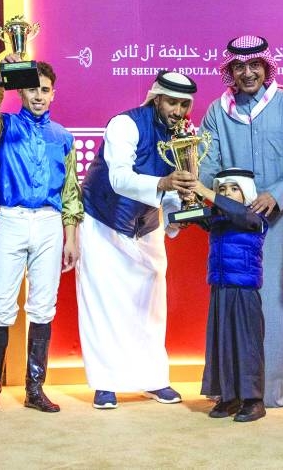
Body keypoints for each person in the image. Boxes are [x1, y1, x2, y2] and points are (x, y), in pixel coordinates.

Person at [200, 35, 283, 408]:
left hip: (281, 217)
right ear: (229, 71)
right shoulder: (217, 112)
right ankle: (236, 388)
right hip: (235, 222)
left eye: (255, 66)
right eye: (239, 66)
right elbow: (207, 164)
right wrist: (213, 198)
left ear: (267, 68)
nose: (247, 73)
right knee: (236, 304)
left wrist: (275, 195)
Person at [76, 70, 198, 409]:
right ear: (156, 98)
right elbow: (119, 178)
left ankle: (153, 379)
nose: (177, 110)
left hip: (146, 224)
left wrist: (182, 211)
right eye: (172, 102)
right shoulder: (124, 125)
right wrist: (164, 185)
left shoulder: (184, 134)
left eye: (184, 104)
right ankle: (105, 383)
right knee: (102, 304)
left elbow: (177, 186)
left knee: (151, 303)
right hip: (103, 219)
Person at [0, 55, 83, 416]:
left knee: (43, 306)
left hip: (50, 223)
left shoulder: (63, 136)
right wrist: (0, 83)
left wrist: (71, 236)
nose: (39, 96)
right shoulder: (2, 126)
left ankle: (36, 388)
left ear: (54, 94)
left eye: (45, 90)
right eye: (33, 88)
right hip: (13, 219)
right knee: (1, 305)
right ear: (22, 92)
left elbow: (70, 191)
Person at [192, 168, 268, 423]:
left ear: (246, 192)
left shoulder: (253, 216)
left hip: (244, 291)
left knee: (247, 346)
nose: (225, 193)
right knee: (222, 344)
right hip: (220, 289)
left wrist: (205, 192)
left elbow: (238, 213)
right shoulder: (219, 219)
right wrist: (188, 201)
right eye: (222, 189)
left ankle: (254, 400)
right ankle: (230, 395)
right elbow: (192, 216)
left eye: (233, 188)